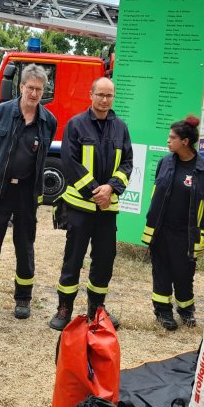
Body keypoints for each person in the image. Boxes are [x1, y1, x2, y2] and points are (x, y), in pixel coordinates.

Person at [0, 65, 57, 324]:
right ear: (21, 88)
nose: (34, 93)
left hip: (28, 195)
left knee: (25, 247)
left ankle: (23, 299)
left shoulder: (48, 121)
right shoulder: (1, 113)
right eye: (30, 88)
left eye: (39, 89)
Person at [49, 77, 133, 331]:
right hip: (80, 209)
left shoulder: (121, 128)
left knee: (104, 260)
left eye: (109, 96)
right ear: (91, 94)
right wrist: (96, 191)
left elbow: (127, 163)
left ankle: (96, 309)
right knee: (73, 259)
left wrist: (111, 188)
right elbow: (70, 162)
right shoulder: (76, 125)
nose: (105, 100)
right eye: (100, 95)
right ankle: (64, 308)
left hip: (107, 210)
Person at [141, 116, 204, 330]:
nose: (168, 141)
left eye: (172, 138)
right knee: (161, 272)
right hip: (161, 230)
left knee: (184, 274)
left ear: (185, 141)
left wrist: (200, 219)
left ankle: (186, 311)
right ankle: (163, 311)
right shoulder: (165, 162)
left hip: (187, 234)